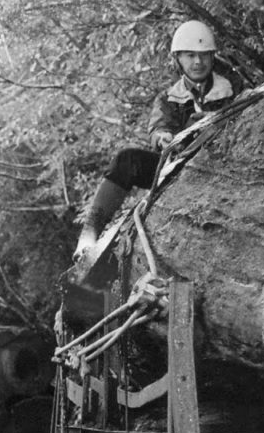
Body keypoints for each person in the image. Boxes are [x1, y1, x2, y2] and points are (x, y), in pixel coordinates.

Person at [74, 20, 237, 257]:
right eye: (190, 55)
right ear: (178, 59)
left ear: (213, 57)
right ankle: (88, 235)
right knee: (127, 160)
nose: (198, 62)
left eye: (203, 55)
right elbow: (159, 127)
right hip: (178, 168)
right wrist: (163, 138)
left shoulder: (232, 87)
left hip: (223, 162)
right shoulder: (168, 98)